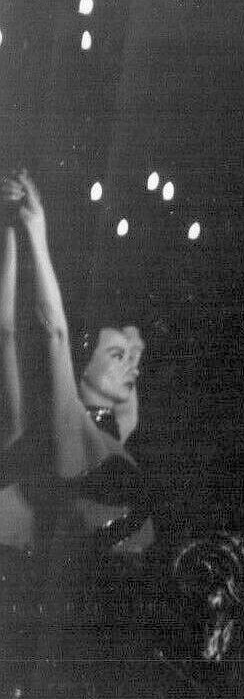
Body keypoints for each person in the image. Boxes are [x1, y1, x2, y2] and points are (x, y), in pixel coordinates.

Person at [0, 169, 152, 558]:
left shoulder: (118, 430)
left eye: (132, 358)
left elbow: (7, 335)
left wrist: (11, 229)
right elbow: (51, 332)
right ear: (81, 368)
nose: (132, 366)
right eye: (116, 356)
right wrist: (32, 232)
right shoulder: (75, 431)